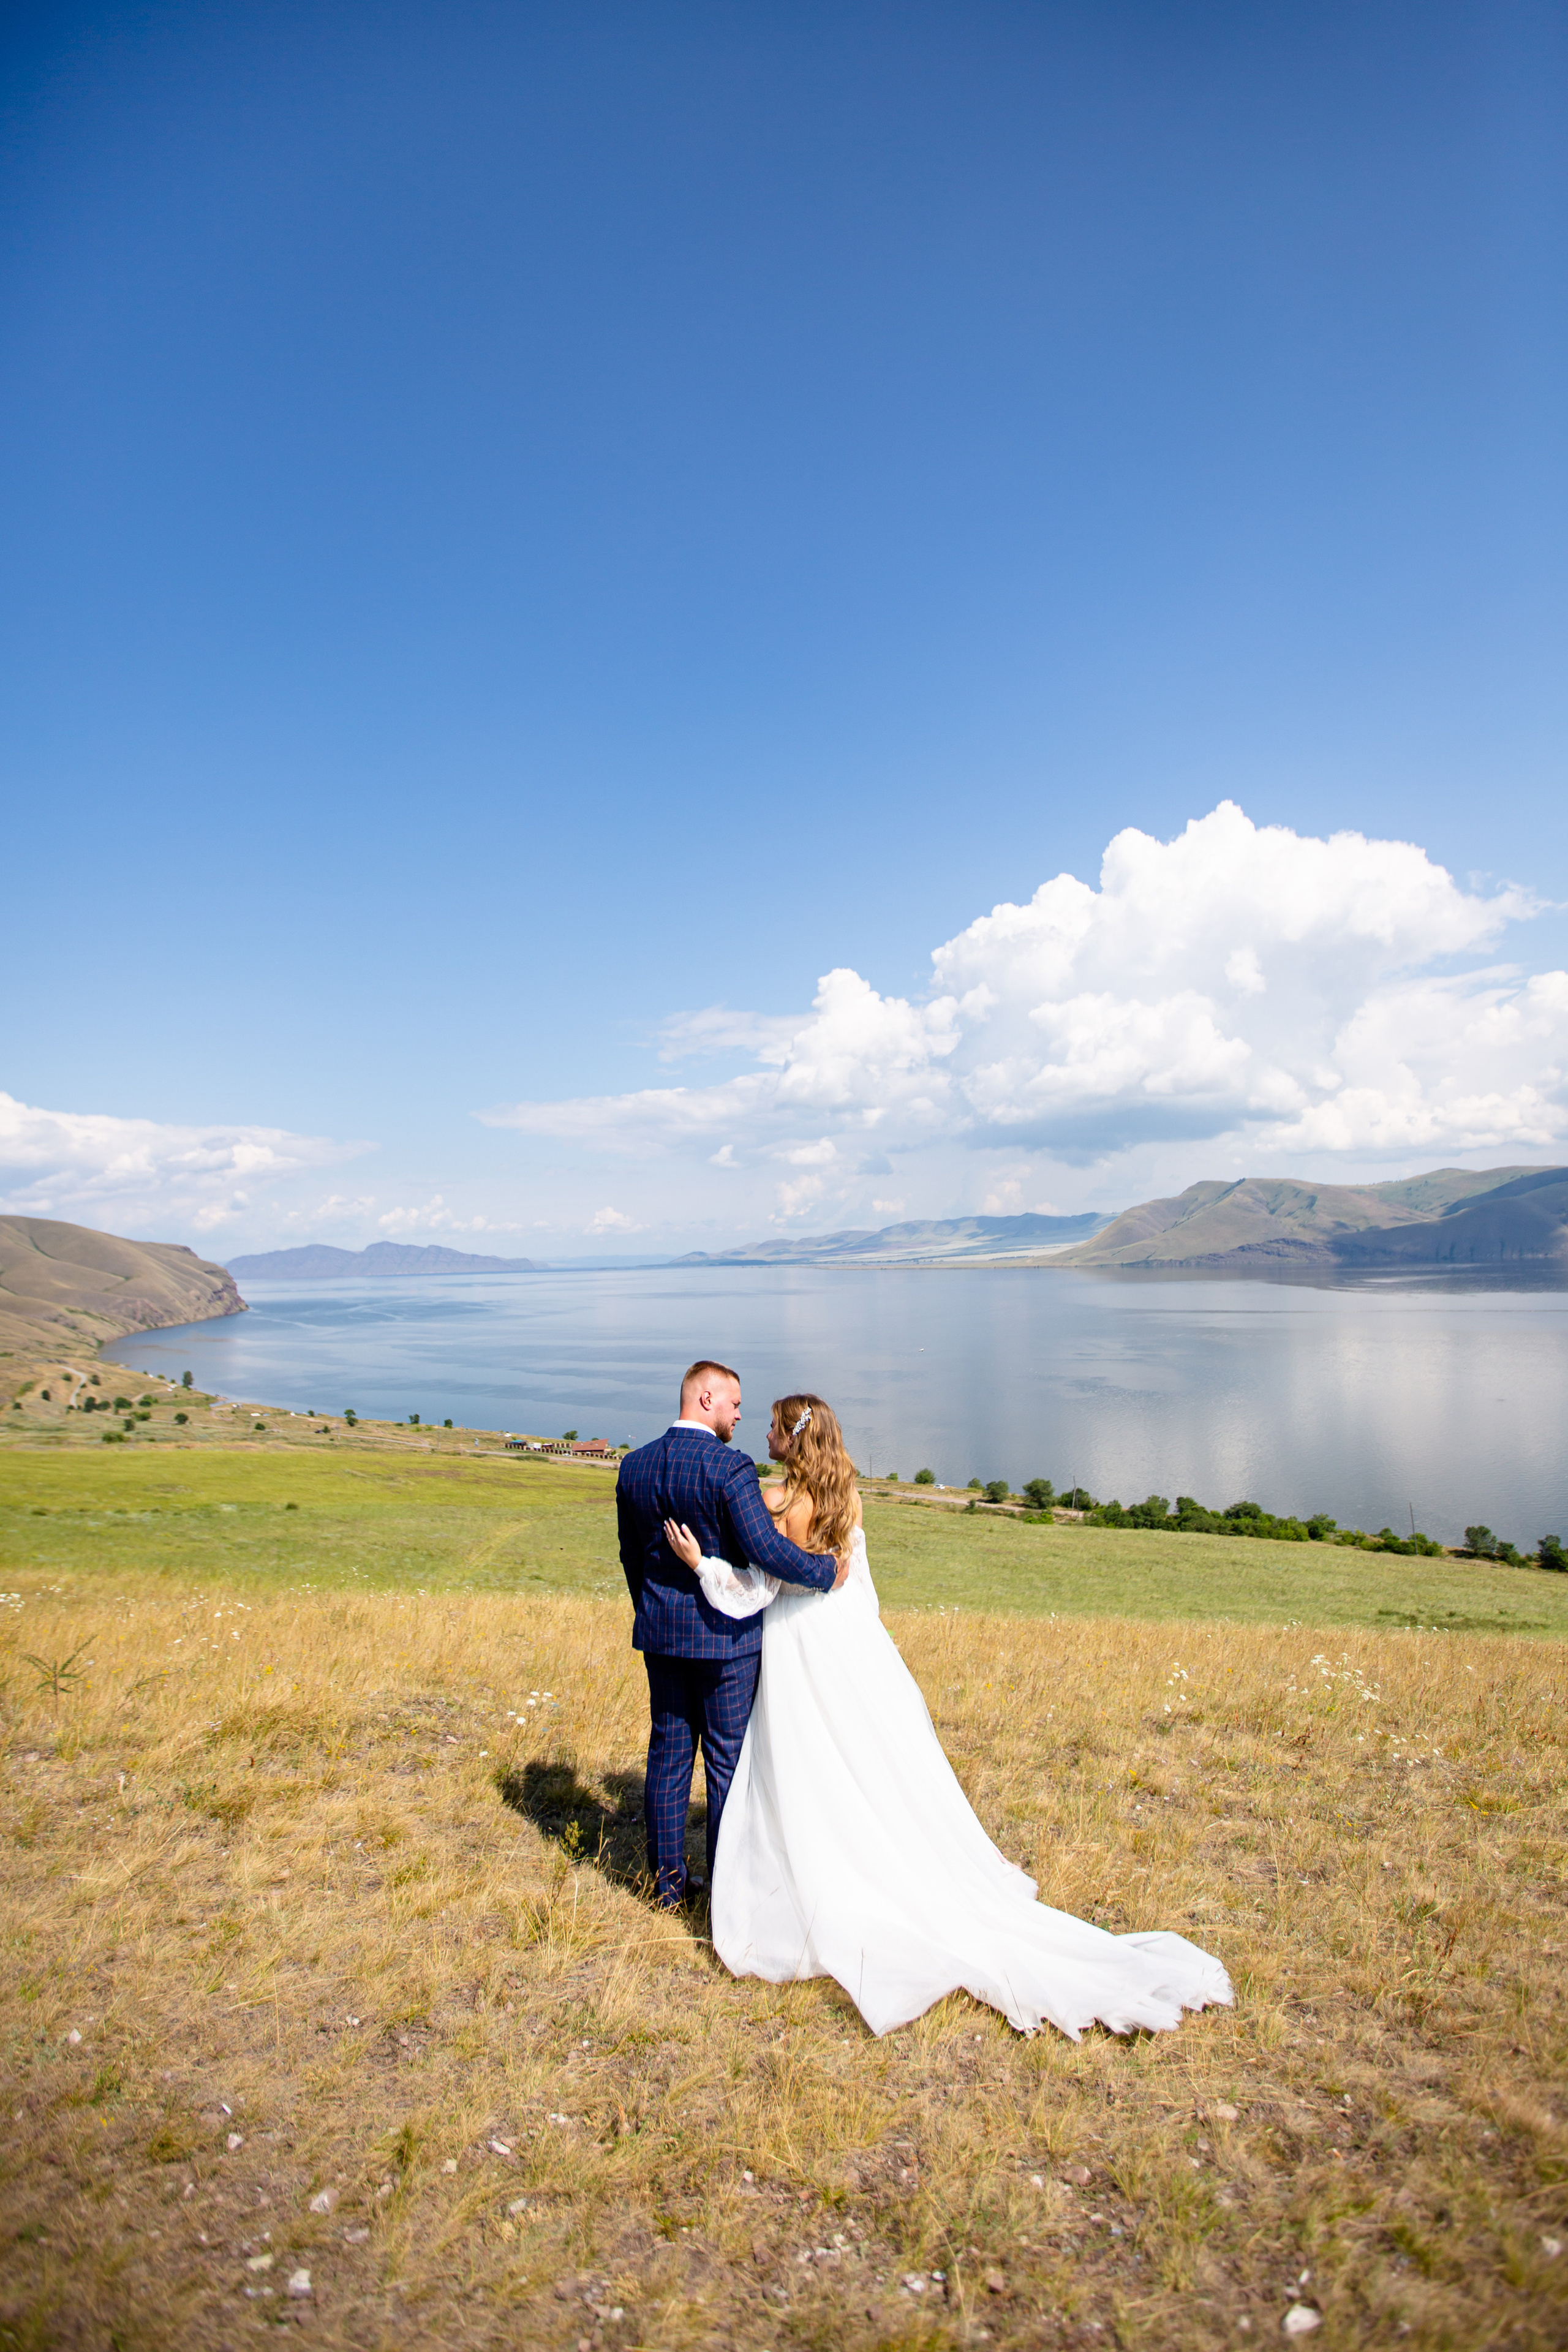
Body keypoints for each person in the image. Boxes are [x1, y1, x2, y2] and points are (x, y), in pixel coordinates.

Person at [662, 1390, 1234, 2040]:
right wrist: (866, 1639)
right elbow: (856, 1580)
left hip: (799, 1637)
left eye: (771, 1427)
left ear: (792, 1438)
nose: (764, 1436)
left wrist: (701, 1564)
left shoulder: (778, 1501)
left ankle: (816, 1875)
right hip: (847, 1636)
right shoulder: (847, 1495)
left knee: (805, 1759)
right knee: (862, 1757)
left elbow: (760, 1588)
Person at [616, 1359, 845, 1906]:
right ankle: (727, 1894)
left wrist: (651, 1610)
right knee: (726, 1764)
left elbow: (631, 1557)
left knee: (669, 1757)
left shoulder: (634, 1466)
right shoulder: (730, 1468)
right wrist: (823, 1572)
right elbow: (765, 1550)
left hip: (662, 1636)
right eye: (735, 1404)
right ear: (706, 1399)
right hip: (727, 1642)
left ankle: (667, 1888)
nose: (740, 1415)